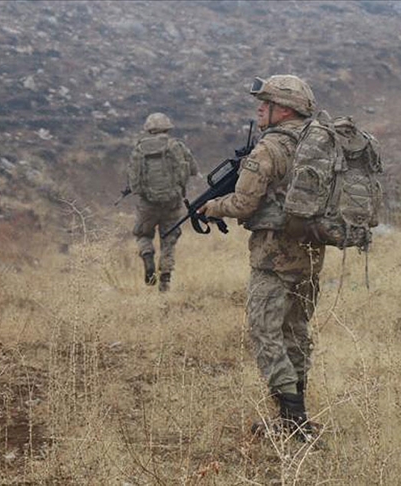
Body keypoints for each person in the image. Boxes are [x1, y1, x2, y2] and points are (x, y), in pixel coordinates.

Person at [199, 75, 324, 442]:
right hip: (311, 255)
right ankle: (295, 418)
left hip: (273, 257)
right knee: (296, 333)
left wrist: (212, 207)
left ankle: (294, 423)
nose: (259, 109)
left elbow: (243, 204)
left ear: (283, 109)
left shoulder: (268, 149)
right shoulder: (318, 143)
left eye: (265, 103)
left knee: (265, 333)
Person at [127, 112, 199, 291]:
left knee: (143, 235)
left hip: (147, 205)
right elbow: (192, 169)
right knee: (169, 239)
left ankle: (147, 254)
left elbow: (134, 181)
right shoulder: (176, 146)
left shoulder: (139, 149)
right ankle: (165, 281)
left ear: (148, 128)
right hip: (172, 203)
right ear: (168, 127)